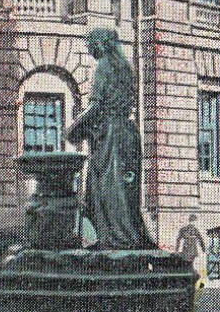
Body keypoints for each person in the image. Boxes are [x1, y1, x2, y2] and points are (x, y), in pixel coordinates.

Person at [65, 28, 156, 250]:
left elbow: (96, 106)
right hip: (129, 134)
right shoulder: (125, 69)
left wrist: (74, 128)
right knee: (127, 193)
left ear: (100, 44)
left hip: (110, 138)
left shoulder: (104, 66)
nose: (89, 48)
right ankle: (128, 237)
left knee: (107, 190)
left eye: (90, 44)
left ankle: (114, 240)